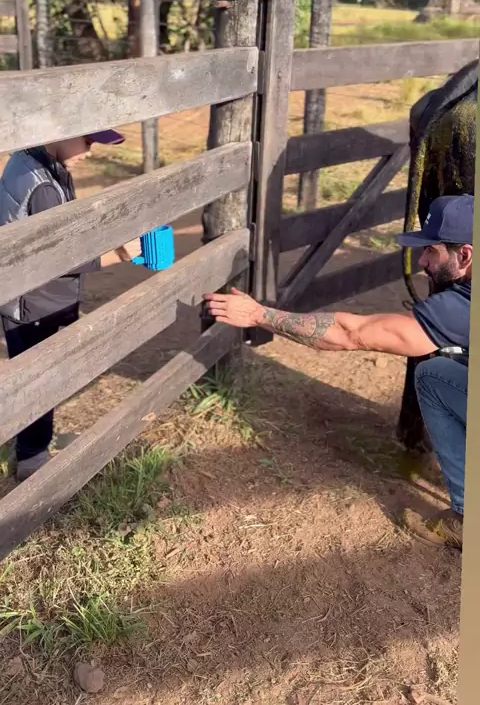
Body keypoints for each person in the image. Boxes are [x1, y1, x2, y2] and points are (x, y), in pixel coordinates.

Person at [204, 194, 473, 550]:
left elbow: (353, 333)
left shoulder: (463, 305)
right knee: (448, 365)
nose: (422, 261)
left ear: (465, 255)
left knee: (432, 374)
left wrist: (258, 315)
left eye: (432, 251)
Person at [0, 131, 139, 481]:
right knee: (39, 380)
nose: (90, 152)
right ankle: (32, 457)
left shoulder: (31, 161)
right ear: (65, 132)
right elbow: (57, 256)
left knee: (37, 373)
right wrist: (119, 254)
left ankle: (32, 443)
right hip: (34, 302)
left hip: (32, 296)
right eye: (88, 142)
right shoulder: (44, 186)